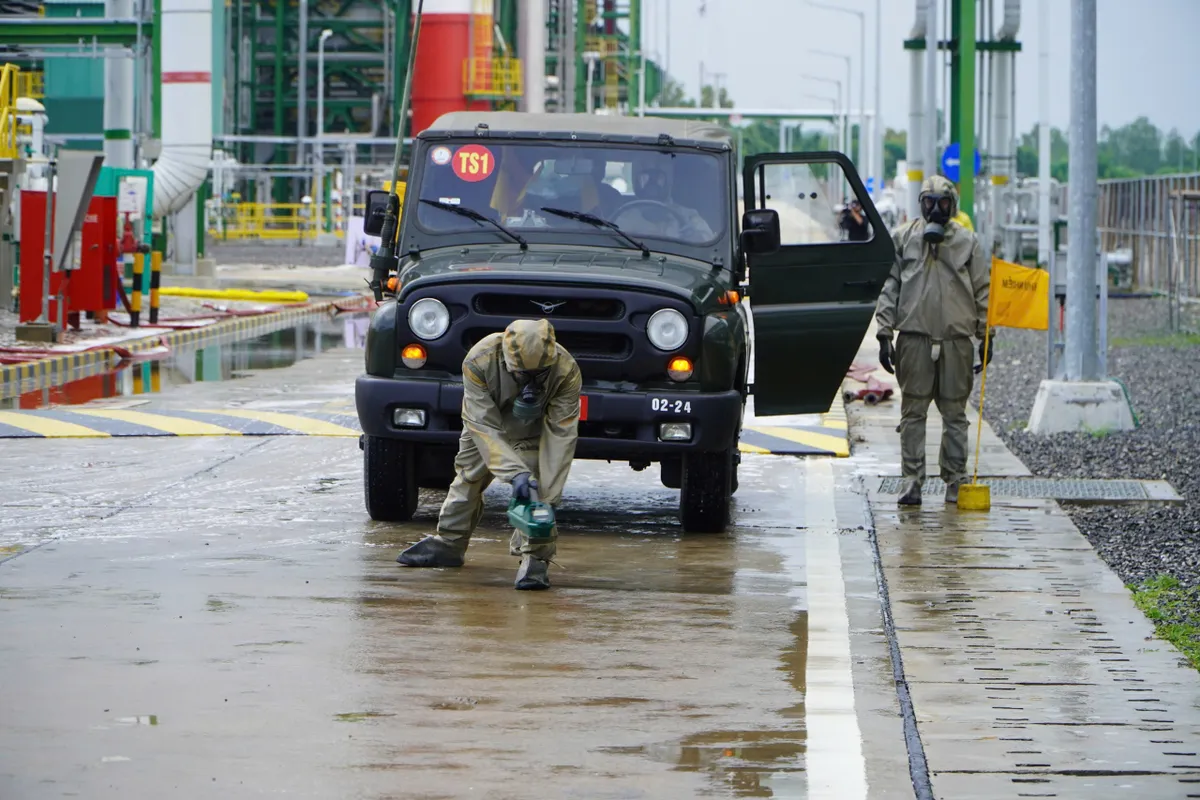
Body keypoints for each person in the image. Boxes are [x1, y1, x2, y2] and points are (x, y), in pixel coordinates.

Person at [396, 318, 582, 590]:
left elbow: (560, 437)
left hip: (532, 425)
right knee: (468, 476)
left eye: (538, 375)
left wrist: (548, 497)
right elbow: (483, 426)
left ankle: (536, 557)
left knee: (537, 487)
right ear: (507, 361)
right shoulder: (479, 361)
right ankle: (450, 542)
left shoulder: (566, 371)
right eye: (522, 375)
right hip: (484, 422)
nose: (529, 383)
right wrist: (513, 472)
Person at [874, 175, 992, 506]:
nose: (935, 209)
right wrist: (885, 332)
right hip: (915, 338)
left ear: (952, 205)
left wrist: (986, 335)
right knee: (913, 412)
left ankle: (955, 479)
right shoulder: (903, 239)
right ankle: (911, 480)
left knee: (955, 413)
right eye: (929, 202)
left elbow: (983, 290)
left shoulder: (968, 242)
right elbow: (889, 286)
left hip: (957, 339)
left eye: (942, 203)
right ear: (920, 204)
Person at [613, 153, 715, 241]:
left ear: (669, 180)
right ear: (635, 181)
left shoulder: (689, 217)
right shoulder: (624, 219)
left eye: (659, 178)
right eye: (645, 178)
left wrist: (694, 237)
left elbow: (708, 246)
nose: (652, 185)